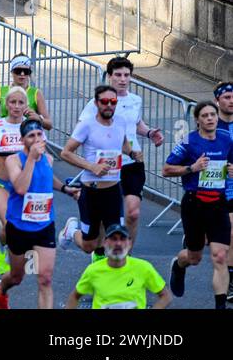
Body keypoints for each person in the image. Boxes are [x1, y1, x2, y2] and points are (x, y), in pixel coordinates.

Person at [0, 119, 81, 309]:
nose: (37, 139)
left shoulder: (48, 159)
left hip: (44, 225)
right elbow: (21, 187)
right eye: (31, 136)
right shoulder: (13, 160)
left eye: (39, 134)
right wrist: (31, 159)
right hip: (19, 226)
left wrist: (65, 188)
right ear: (22, 139)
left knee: (45, 279)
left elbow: (47, 178)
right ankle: (1, 289)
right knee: (17, 277)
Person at [75, 56, 164, 240]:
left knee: (133, 213)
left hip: (132, 161)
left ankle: (126, 257)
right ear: (109, 76)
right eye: (118, 75)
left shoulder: (135, 100)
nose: (123, 79)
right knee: (102, 217)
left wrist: (149, 133)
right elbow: (83, 128)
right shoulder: (97, 103)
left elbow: (136, 124)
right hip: (105, 164)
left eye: (126, 75)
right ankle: (99, 250)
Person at [163, 100, 233, 307]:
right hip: (194, 204)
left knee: (220, 256)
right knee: (194, 257)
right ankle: (179, 264)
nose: (210, 118)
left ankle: (219, 305)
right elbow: (166, 169)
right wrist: (191, 168)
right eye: (205, 116)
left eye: (212, 115)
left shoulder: (226, 139)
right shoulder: (188, 141)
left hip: (219, 203)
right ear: (197, 120)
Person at [59, 84, 139, 257]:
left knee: (116, 237)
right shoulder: (87, 125)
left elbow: (124, 143)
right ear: (96, 103)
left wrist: (131, 152)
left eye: (113, 101)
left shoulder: (120, 121)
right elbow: (65, 153)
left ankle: (109, 275)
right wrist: (92, 166)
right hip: (91, 191)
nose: (109, 105)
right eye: (104, 101)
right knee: (89, 245)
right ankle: (71, 231)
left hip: (113, 189)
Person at [65, 223, 171, 309]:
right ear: (105, 243)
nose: (118, 243)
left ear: (129, 243)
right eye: (113, 239)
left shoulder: (143, 268)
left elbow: (165, 296)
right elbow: (75, 296)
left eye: (122, 239)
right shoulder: (93, 270)